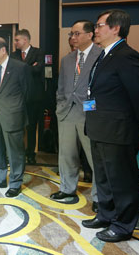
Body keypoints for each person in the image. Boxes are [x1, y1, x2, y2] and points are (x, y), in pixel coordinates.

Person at [82, 9, 139, 242]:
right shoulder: (105, 55)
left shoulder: (127, 56)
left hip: (118, 130)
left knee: (122, 180)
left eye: (100, 25)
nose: (96, 30)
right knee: (104, 178)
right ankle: (106, 214)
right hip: (100, 127)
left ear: (115, 28)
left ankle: (123, 224)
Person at [52, 20, 101, 213]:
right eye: (71, 34)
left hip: (89, 113)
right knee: (66, 154)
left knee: (94, 157)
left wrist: (93, 108)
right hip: (66, 112)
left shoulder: (101, 56)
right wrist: (60, 104)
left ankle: (99, 196)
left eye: (77, 33)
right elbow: (62, 87)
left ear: (90, 35)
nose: (73, 37)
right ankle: (67, 189)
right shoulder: (67, 59)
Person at [0, 37, 32, 197]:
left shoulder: (20, 67)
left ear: (3, 50)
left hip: (13, 115)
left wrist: (14, 108)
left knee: (15, 152)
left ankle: (15, 183)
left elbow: (27, 93)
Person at [11, 29, 45, 164]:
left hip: (35, 98)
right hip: (18, 98)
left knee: (31, 127)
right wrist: (29, 66)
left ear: (25, 40)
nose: (15, 43)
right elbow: (14, 71)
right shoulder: (13, 55)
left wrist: (22, 67)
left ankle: (31, 154)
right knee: (18, 127)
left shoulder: (38, 52)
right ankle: (19, 153)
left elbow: (38, 69)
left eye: (17, 40)